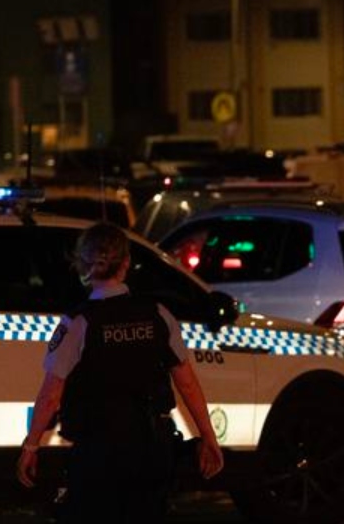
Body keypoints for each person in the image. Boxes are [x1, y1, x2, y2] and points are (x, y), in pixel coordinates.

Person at [16, 222, 224, 523]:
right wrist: (208, 437)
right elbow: (187, 382)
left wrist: (31, 446)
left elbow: (51, 395)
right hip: (152, 451)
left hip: (98, 454)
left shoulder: (78, 323)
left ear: (82, 265)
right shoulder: (157, 314)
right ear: (126, 263)